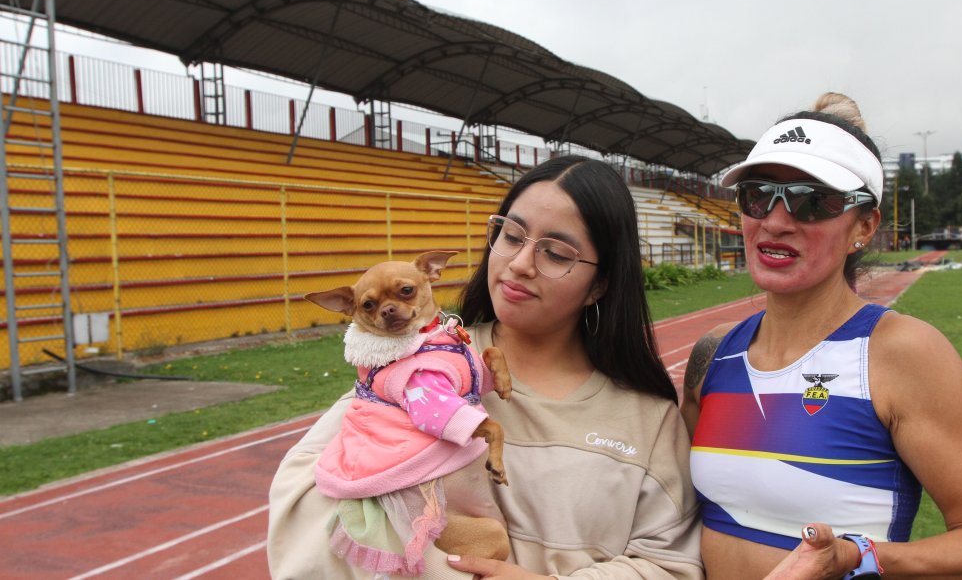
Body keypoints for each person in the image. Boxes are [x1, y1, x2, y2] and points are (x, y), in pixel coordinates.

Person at [267, 155, 703, 579]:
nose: (519, 264)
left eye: (555, 253)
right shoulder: (414, 360)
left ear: (600, 285)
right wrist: (438, 572)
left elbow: (670, 566)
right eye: (511, 236)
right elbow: (304, 496)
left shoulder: (649, 418)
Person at [680, 93, 962, 579]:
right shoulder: (714, 353)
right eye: (757, 195)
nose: (776, 222)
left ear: (864, 225)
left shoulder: (901, 353)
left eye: (812, 202)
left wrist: (854, 557)